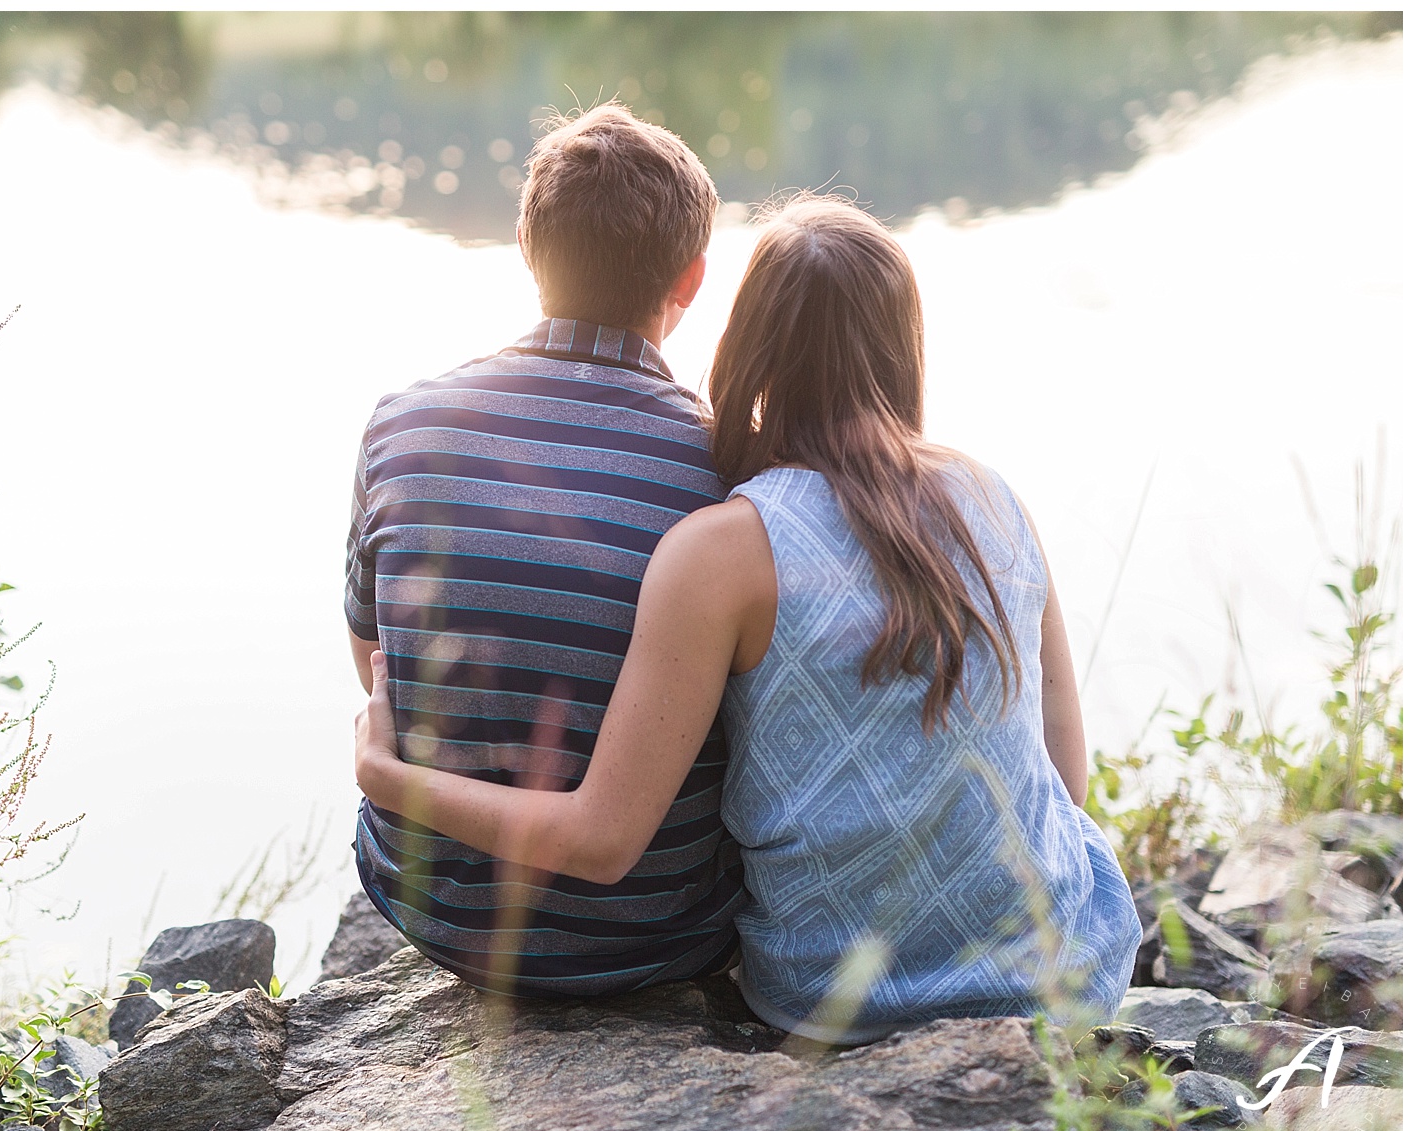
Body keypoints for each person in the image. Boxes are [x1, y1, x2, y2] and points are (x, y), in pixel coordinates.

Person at [355, 195, 1141, 1042]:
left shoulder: (722, 549)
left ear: (746, 341)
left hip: (836, 1004)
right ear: (903, 343)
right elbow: (1063, 779)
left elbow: (601, 839)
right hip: (1062, 974)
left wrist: (385, 775)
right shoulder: (992, 497)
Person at [343, 103, 746, 998]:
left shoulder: (402, 425)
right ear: (691, 279)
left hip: (433, 913)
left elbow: (376, 662)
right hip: (661, 934)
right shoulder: (734, 472)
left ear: (527, 249)